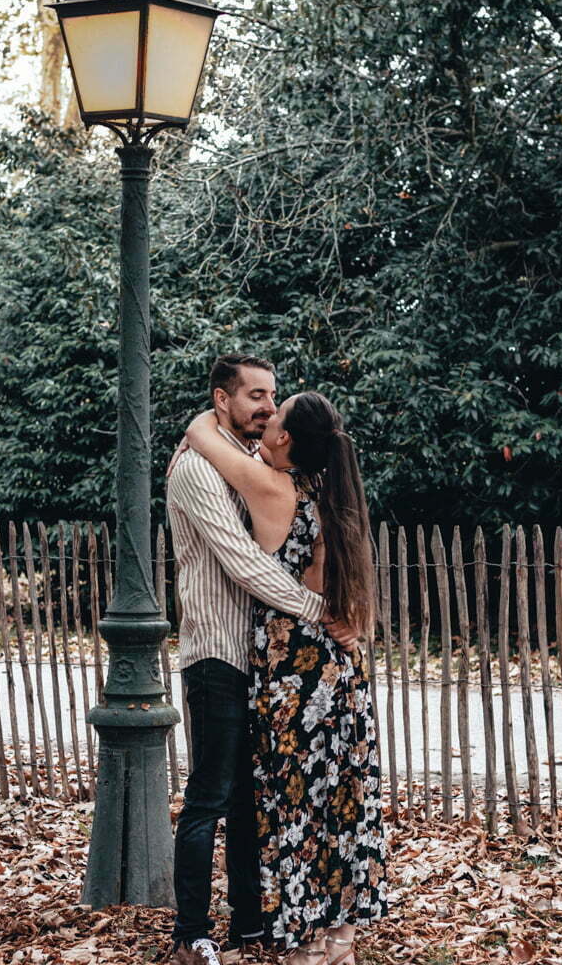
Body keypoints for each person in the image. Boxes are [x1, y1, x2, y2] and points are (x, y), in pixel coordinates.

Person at [181, 389, 388, 965]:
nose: (267, 419)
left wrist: (217, 406)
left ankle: (302, 941)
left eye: (277, 415)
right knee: (343, 798)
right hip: (340, 667)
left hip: (295, 668)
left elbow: (200, 435)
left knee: (293, 803)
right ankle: (341, 938)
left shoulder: (273, 486)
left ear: (285, 439)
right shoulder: (330, 493)